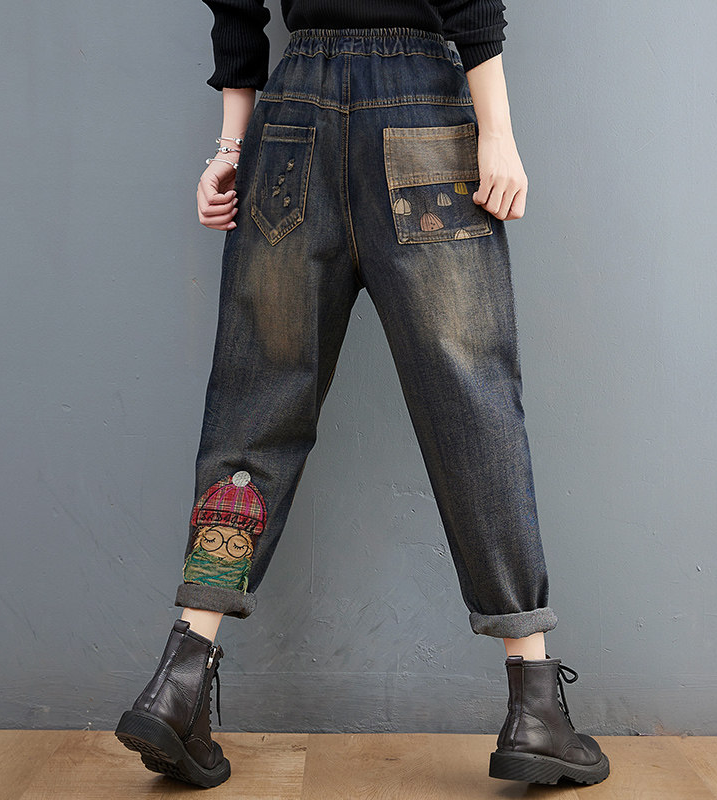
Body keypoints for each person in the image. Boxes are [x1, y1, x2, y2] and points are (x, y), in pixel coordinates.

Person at [114, 0, 610, 790]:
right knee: (472, 409)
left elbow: (235, 4)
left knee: (253, 410)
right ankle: (536, 707)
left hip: (291, 120)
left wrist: (231, 146)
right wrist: (497, 131)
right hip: (420, 109)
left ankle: (179, 675)